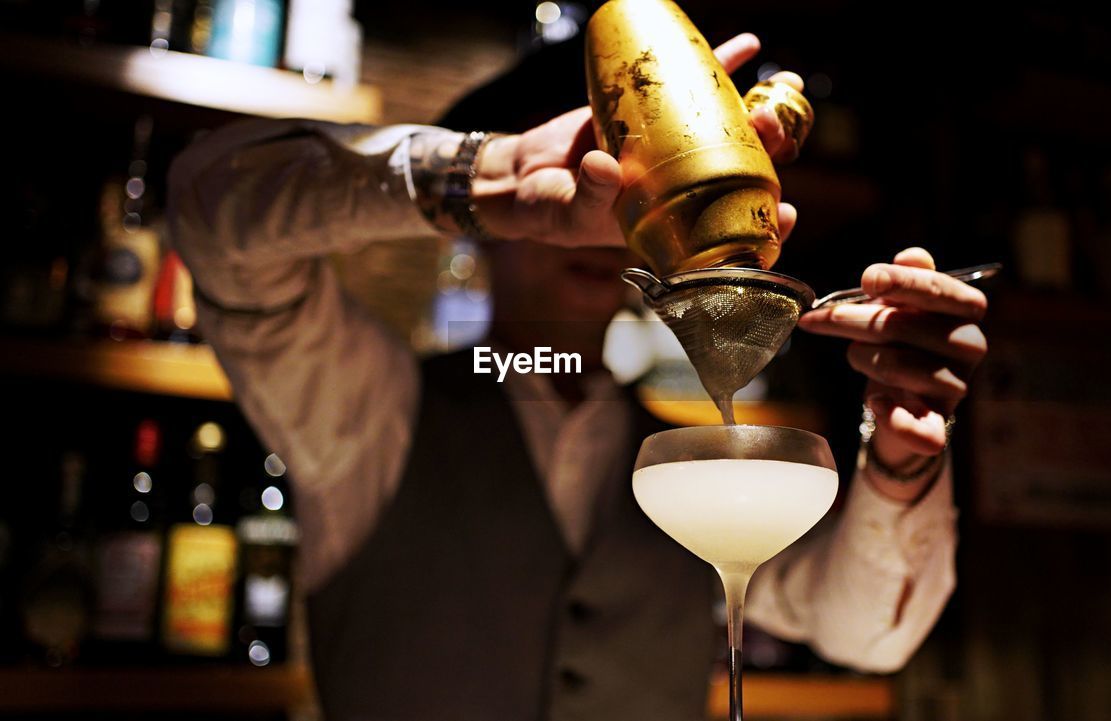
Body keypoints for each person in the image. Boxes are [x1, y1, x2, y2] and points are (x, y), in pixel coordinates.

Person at [169, 32, 987, 721]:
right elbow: (210, 208)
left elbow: (864, 633)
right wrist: (490, 176)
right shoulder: (367, 410)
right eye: (585, 178)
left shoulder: (691, 474)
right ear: (487, 228)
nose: (599, 226)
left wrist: (901, 463)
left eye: (632, 193)